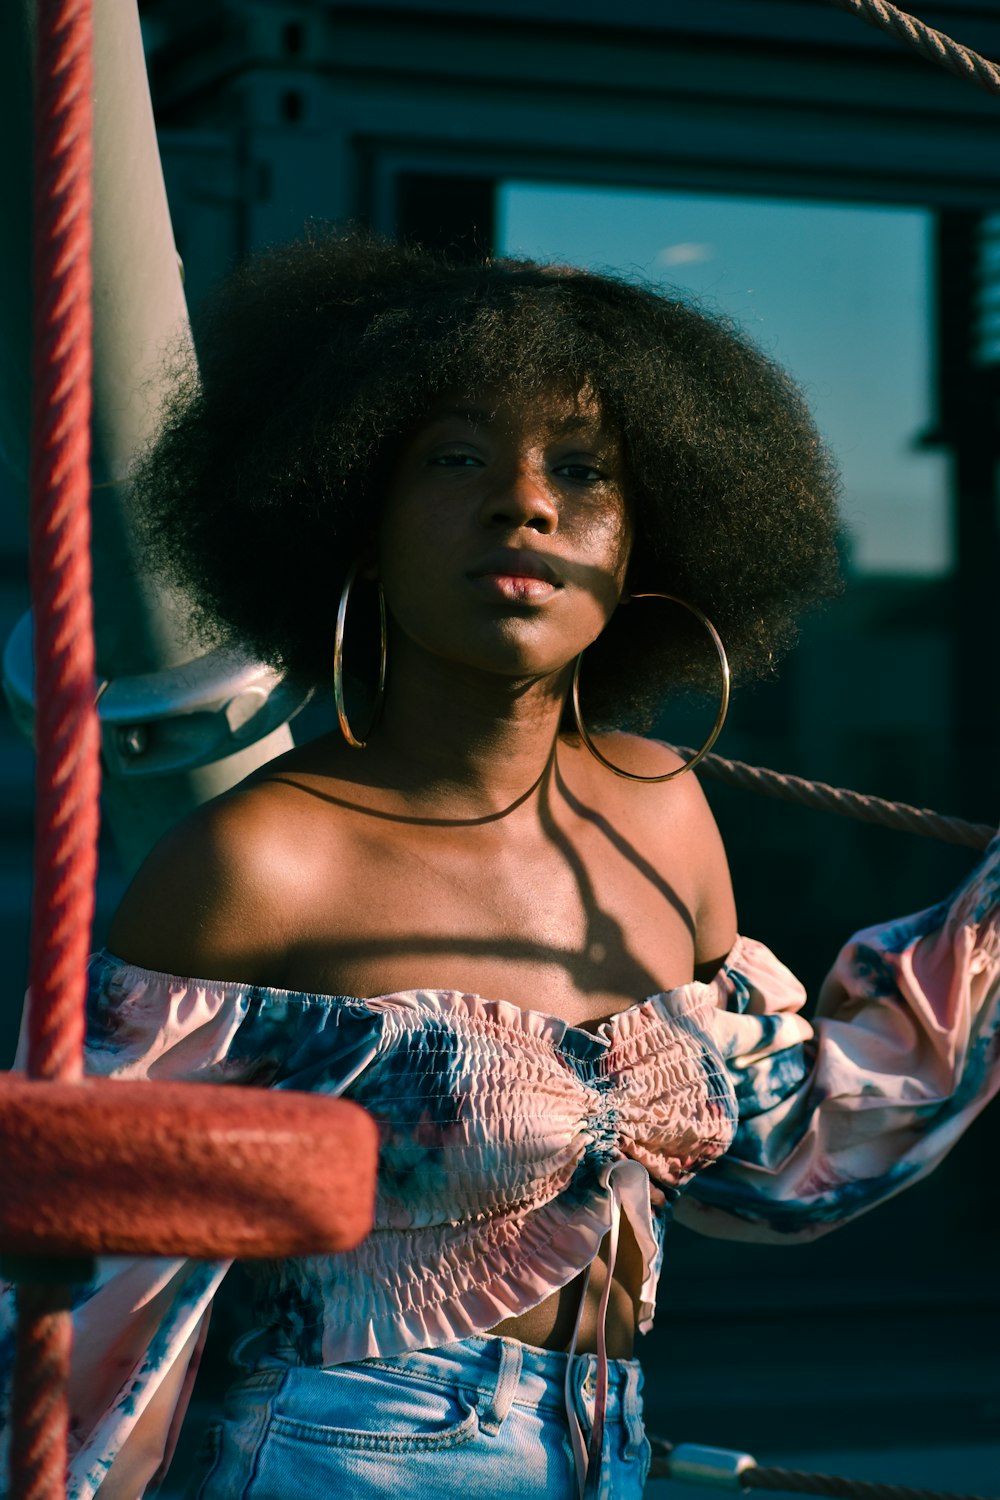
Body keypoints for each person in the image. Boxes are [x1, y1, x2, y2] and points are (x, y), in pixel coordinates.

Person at [2, 232, 1000, 1500]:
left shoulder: (667, 807)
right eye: (457, 459)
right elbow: (77, 1282)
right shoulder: (260, 863)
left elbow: (777, 1140)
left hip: (606, 1449)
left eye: (580, 471)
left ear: (644, 540)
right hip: (333, 1456)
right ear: (356, 516)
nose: (524, 503)